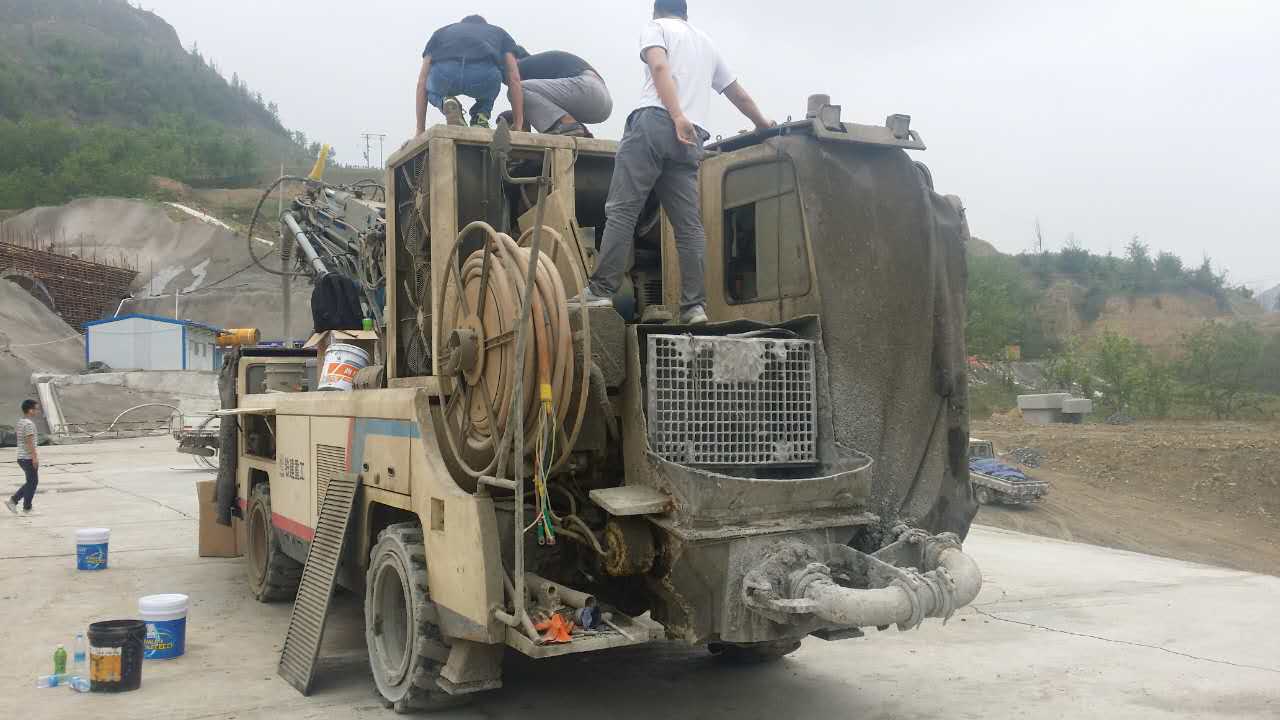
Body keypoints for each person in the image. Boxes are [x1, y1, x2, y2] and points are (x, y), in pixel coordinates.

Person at [573, 0, 773, 325]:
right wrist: (763, 124)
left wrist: (676, 115)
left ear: (656, 11)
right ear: (685, 13)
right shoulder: (706, 43)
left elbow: (659, 67)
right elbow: (738, 93)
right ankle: (694, 307)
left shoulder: (656, 29)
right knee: (689, 226)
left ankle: (601, 291)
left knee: (623, 210)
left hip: (655, 121)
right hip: (693, 137)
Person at [416, 15, 524, 133]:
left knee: (430, 88)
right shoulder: (499, 32)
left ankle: (445, 102)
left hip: (445, 75)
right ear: (485, 25)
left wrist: (420, 130)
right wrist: (518, 124)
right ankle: (481, 116)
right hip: (483, 76)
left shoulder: (441, 32)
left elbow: (422, 81)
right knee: (495, 77)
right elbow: (514, 78)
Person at [501, 48, 613, 137]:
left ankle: (567, 124)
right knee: (521, 96)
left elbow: (516, 90)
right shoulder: (542, 71)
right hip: (602, 103)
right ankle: (575, 129)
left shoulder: (521, 65)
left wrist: (517, 128)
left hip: (587, 87)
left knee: (516, 91)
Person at [6, 399, 40, 515]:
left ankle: (20, 504)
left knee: (31, 482)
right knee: (32, 483)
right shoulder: (29, 424)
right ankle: (22, 505)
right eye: (36, 409)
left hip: (21, 457)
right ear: (30, 410)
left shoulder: (21, 422)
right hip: (28, 457)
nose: (37, 411)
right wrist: (34, 457)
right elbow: (29, 442)